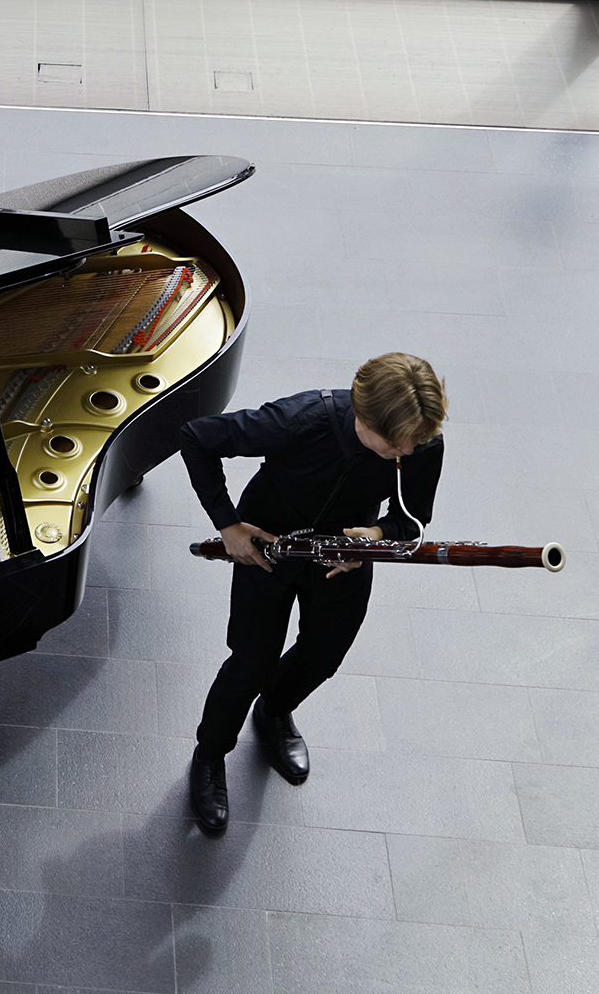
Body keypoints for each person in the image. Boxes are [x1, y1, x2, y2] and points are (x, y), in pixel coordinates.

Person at [177, 352, 447, 835]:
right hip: (268, 552)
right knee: (250, 662)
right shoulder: (299, 419)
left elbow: (412, 518)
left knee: (323, 657)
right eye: (395, 447)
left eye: (415, 446)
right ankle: (210, 754)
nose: (406, 455)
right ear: (364, 418)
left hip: (343, 559)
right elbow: (197, 437)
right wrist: (229, 525)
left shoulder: (419, 440)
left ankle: (275, 709)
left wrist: (376, 537)